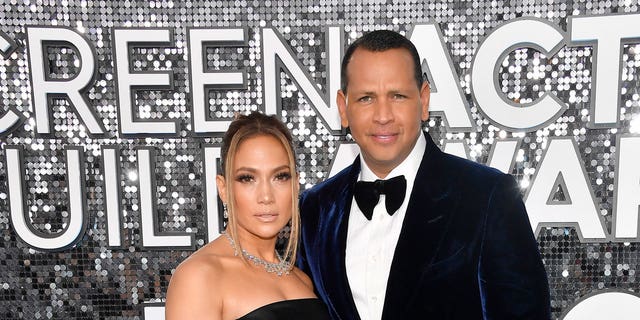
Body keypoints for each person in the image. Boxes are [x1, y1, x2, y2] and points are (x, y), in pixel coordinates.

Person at [297, 30, 551, 319]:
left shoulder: (487, 196)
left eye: (398, 96)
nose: (383, 115)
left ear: (424, 100)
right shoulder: (315, 209)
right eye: (366, 98)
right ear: (344, 109)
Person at [166, 112, 330, 320]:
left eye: (280, 177)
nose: (266, 196)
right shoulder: (200, 277)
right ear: (223, 189)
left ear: (296, 185)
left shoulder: (302, 280)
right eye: (247, 178)